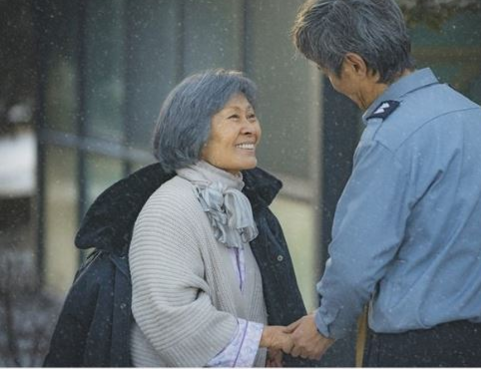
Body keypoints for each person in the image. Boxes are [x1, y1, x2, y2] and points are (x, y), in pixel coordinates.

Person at [286, 0, 481, 367]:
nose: (332, 82)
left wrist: (326, 323)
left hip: (418, 351)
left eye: (327, 71)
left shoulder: (391, 138)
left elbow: (356, 259)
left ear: (355, 65)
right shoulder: (477, 119)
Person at [44, 70, 308, 367]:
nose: (250, 128)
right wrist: (264, 338)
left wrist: (261, 352)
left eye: (251, 116)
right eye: (234, 117)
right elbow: (171, 317)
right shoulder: (169, 208)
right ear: (194, 132)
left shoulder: (243, 204)